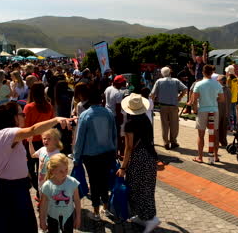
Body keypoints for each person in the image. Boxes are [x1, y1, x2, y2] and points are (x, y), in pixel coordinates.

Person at [0, 102, 74, 233]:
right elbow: (33, 129)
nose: (25, 117)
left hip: (13, 188)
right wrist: (56, 119)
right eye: (22, 114)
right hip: (9, 190)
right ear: (12, 117)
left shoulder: (4, 135)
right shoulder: (7, 133)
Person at [117, 93, 160, 232]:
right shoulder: (146, 119)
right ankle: (144, 217)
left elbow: (129, 147)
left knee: (136, 188)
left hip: (138, 159)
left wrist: (123, 167)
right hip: (150, 156)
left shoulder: (130, 124)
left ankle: (150, 219)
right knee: (147, 188)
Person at [73, 85, 117, 221]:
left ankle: (96, 211)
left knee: (94, 181)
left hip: (90, 156)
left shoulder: (85, 115)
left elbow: (79, 139)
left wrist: (76, 157)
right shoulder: (108, 112)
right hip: (107, 153)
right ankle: (105, 207)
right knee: (104, 181)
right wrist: (114, 151)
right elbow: (114, 134)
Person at [24, 82, 55, 198]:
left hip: (31, 141)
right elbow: (52, 123)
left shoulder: (29, 107)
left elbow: (25, 125)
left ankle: (38, 190)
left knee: (31, 169)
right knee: (43, 168)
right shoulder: (49, 106)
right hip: (45, 141)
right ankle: (42, 192)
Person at [188, 65, 224, 163]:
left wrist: (195, 110)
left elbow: (194, 99)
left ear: (203, 72)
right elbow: (222, 99)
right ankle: (215, 156)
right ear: (212, 73)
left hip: (203, 110)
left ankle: (200, 157)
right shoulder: (217, 84)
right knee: (215, 134)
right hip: (214, 110)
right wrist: (214, 99)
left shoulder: (198, 84)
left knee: (201, 134)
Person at [39, 154, 81, 233]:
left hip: (68, 217)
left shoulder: (72, 182)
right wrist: (42, 220)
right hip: (52, 217)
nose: (64, 173)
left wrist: (78, 217)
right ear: (52, 171)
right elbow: (43, 204)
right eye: (61, 171)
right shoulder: (47, 185)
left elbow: (77, 200)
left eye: (66, 169)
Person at [150, 67, 187, 149]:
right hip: (173, 105)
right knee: (174, 124)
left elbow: (152, 94)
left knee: (164, 125)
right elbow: (185, 89)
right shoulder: (176, 81)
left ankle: (166, 142)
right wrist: (180, 97)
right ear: (170, 72)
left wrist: (152, 103)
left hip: (163, 106)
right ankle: (173, 141)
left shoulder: (159, 81)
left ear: (162, 74)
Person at [29, 128, 62, 193]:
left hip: (52, 183)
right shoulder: (42, 149)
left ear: (55, 140)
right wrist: (30, 142)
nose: (46, 140)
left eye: (49, 139)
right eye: (44, 139)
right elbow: (33, 155)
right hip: (41, 181)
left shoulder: (57, 153)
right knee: (42, 196)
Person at [217, 75, 231, 147]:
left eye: (218, 80)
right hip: (225, 111)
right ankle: (223, 141)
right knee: (222, 127)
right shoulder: (228, 89)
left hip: (221, 110)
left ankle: (220, 141)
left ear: (222, 81)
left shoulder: (221, 89)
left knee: (220, 127)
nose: (216, 81)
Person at [226, 65, 238, 129]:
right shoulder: (235, 79)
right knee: (234, 112)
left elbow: (228, 88)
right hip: (235, 97)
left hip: (230, 98)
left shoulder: (229, 79)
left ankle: (231, 125)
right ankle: (235, 126)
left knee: (230, 113)